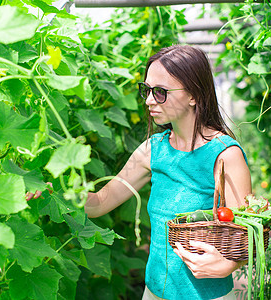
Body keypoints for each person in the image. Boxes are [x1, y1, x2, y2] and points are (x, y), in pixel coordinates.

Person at [85, 45, 251, 300]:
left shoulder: (225, 154)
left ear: (193, 95)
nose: (150, 100)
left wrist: (229, 265)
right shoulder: (152, 150)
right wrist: (56, 191)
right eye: (147, 90)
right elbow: (98, 204)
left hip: (207, 295)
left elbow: (247, 233)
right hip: (154, 291)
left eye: (160, 92)